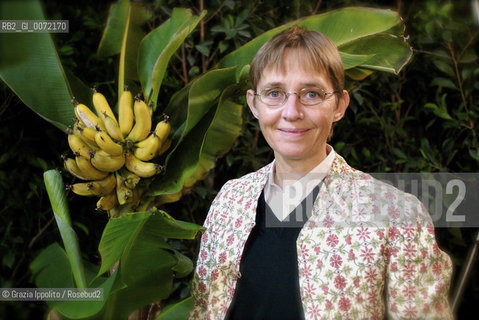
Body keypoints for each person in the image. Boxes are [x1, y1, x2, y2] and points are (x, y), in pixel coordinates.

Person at [189, 26, 453, 320]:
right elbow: (204, 311)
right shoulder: (230, 202)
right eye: (274, 93)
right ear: (254, 103)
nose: (291, 112)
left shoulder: (395, 215)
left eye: (311, 93)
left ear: (339, 104)